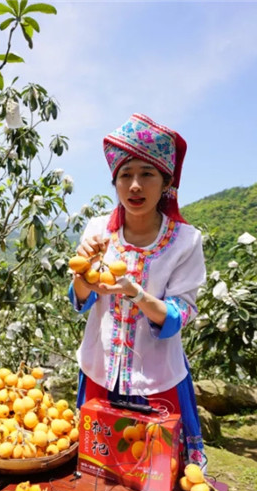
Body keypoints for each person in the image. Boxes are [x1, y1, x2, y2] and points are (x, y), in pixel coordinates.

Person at [69, 113, 207, 468]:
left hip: (157, 382)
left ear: (166, 183)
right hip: (100, 372)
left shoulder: (186, 242)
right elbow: (81, 300)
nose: (135, 185)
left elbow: (180, 314)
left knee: (156, 477)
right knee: (98, 474)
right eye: (125, 175)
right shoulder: (98, 230)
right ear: (114, 183)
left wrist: (137, 295)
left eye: (147, 174)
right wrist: (83, 273)